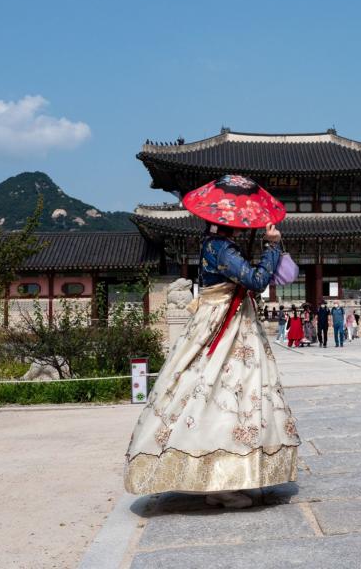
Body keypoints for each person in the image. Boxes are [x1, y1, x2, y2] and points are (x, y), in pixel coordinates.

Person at [124, 174, 300, 510]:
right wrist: (273, 246)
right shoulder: (222, 248)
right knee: (227, 389)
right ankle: (219, 480)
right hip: (226, 323)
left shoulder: (211, 243)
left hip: (217, 317)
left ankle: (227, 473)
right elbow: (256, 279)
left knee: (206, 388)